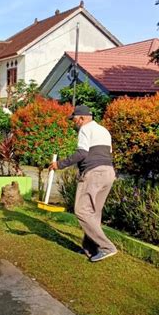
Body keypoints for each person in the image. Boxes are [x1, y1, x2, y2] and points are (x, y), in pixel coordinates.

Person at [48, 104, 117, 262]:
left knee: (81, 211)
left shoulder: (85, 129)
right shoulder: (103, 130)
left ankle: (107, 247)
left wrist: (60, 164)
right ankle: (91, 249)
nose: (74, 123)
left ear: (82, 118)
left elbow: (82, 153)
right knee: (93, 213)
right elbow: (108, 152)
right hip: (108, 172)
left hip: (94, 173)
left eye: (74, 120)